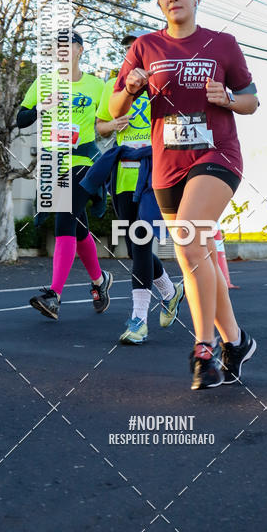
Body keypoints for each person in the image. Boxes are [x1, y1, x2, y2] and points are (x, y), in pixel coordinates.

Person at [109, 0, 258, 390]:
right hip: (167, 165)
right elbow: (115, 110)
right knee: (198, 254)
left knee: (191, 242)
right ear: (159, 2)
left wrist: (228, 98)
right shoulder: (145, 46)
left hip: (217, 154)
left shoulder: (222, 44)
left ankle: (204, 349)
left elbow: (251, 100)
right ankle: (237, 341)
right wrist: (131, 87)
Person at [96, 29, 184, 344]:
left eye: (140, 50)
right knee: (134, 248)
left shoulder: (167, 85)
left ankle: (138, 321)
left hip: (155, 174)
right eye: (130, 50)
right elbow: (100, 127)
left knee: (142, 242)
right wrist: (112, 124)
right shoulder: (114, 86)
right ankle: (170, 292)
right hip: (122, 175)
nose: (134, 55)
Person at [17, 31, 113, 320]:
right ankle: (99, 281)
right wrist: (42, 106)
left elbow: (106, 122)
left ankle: (54, 295)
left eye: (67, 45)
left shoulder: (97, 85)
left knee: (64, 214)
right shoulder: (43, 82)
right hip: (55, 164)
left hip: (84, 160)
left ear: (80, 50)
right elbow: (21, 119)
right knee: (77, 225)